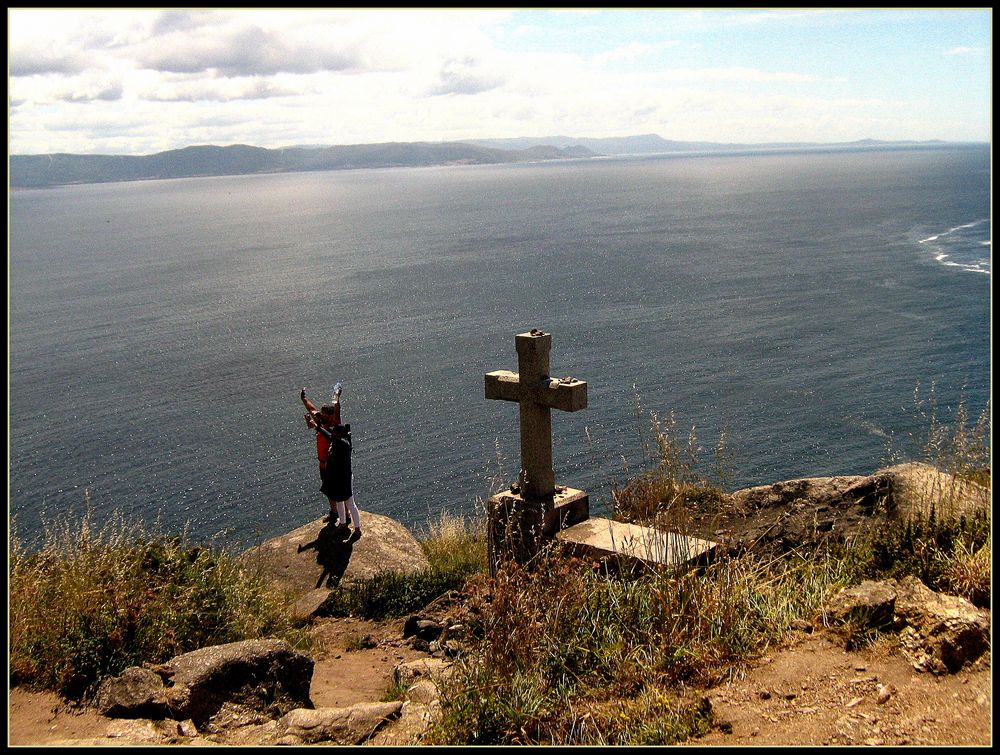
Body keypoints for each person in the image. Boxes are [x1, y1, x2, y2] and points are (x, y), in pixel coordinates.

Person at [301, 384, 362, 538]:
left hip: (340, 473)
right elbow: (311, 409)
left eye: (324, 414)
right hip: (329, 468)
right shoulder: (329, 429)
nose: (320, 415)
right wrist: (304, 399)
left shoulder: (339, 438)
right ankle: (339, 518)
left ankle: (353, 525)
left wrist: (336, 399)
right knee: (334, 494)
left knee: (347, 500)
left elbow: (335, 415)